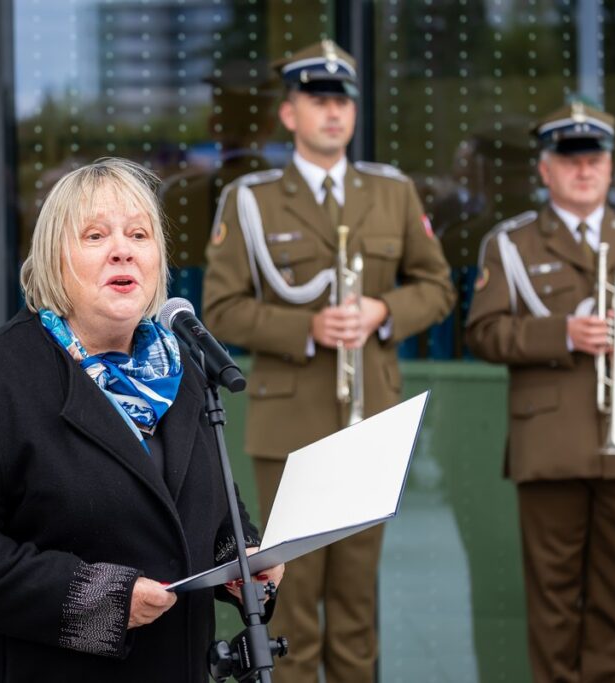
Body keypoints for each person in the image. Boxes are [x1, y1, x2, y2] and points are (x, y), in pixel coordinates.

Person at [0, 158, 283, 682]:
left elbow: (205, 504)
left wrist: (240, 557)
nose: (122, 249)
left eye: (139, 234)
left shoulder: (182, 369)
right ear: (55, 260)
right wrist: (91, 600)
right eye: (95, 235)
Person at [202, 41, 455, 683]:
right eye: (318, 101)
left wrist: (384, 311)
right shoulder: (250, 199)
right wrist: (306, 327)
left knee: (356, 606)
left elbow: (438, 288)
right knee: (290, 608)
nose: (333, 113)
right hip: (290, 425)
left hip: (369, 419)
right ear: (289, 114)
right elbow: (222, 310)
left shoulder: (392, 191)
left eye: (342, 100)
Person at [465, 100, 615, 683]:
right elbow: (483, 331)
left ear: (611, 166)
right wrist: (563, 333)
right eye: (569, 160)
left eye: (594, 159)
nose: (584, 170)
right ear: (545, 170)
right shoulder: (511, 244)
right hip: (550, 444)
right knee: (552, 604)